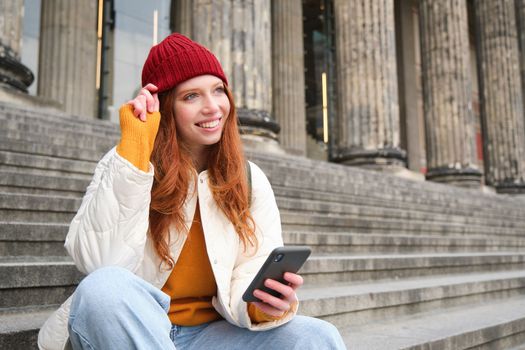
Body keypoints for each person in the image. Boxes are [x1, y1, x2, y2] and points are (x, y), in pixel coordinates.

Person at [38, 33, 346, 350]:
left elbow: (251, 267)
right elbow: (100, 262)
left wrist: (260, 305)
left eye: (218, 91)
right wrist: (135, 150)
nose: (212, 108)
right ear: (165, 105)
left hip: (210, 336)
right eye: (191, 97)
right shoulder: (128, 163)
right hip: (135, 328)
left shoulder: (249, 178)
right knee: (103, 288)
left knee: (317, 337)